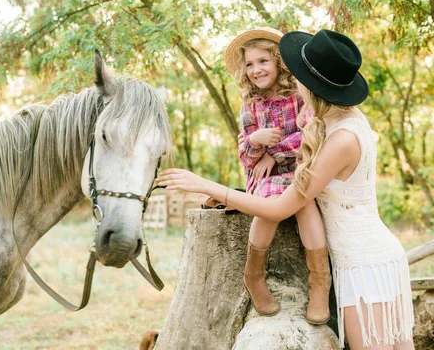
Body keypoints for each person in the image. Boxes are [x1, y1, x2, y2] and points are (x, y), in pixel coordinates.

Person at [157, 29, 414, 349]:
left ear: (312, 86)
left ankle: (312, 279)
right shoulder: (339, 120)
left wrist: (204, 185)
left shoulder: (340, 139)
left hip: (365, 265)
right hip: (370, 257)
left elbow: (281, 208)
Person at [222, 27, 330, 323]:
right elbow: (246, 156)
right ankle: (253, 275)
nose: (256, 70)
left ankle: (320, 282)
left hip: (301, 168)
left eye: (263, 61)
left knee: (303, 199)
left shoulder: (298, 93)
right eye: (249, 64)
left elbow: (312, 133)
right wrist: (256, 140)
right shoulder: (250, 105)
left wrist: (275, 151)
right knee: (271, 205)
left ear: (278, 62)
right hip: (266, 181)